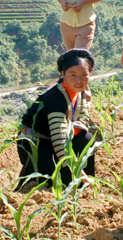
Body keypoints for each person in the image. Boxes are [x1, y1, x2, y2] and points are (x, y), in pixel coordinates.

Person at [16, 49, 95, 188]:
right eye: (73, 75)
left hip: (57, 137)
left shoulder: (79, 91)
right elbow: (60, 145)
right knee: (53, 182)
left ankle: (85, 187)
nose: (79, 80)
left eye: (84, 75)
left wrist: (69, 133)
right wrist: (82, 176)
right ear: (63, 74)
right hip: (36, 143)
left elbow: (83, 118)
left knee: (86, 138)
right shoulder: (55, 97)